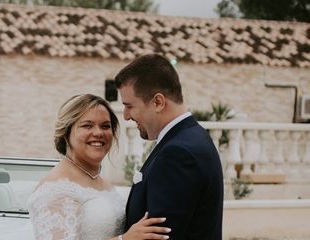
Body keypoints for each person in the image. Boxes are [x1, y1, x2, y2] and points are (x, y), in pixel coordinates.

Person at [28, 94, 171, 240]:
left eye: (105, 126)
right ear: (66, 132)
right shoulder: (55, 189)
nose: (98, 133)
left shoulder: (102, 181)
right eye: (87, 125)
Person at [115, 54, 224, 240]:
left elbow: (161, 237)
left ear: (158, 102)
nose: (125, 116)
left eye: (129, 106)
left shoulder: (177, 154)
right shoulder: (192, 136)